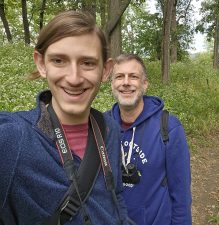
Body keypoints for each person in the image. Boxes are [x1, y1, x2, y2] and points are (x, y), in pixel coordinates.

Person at [0, 11, 130, 225]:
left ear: (105, 71)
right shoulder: (13, 138)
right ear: (41, 64)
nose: (74, 78)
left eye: (88, 63)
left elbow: (115, 195)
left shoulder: (110, 129)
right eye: (59, 60)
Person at [106, 54, 192, 225]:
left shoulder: (169, 127)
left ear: (145, 84)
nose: (126, 82)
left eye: (134, 76)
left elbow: (181, 194)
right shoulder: (102, 125)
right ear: (112, 85)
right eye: (119, 76)